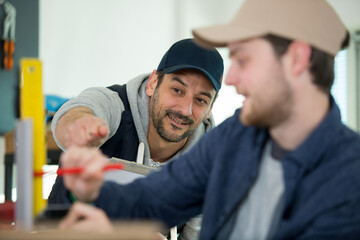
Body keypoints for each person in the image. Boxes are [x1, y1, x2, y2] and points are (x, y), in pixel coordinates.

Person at [58, 0, 360, 239]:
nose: (231, 79)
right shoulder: (237, 136)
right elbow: (156, 197)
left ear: (296, 59)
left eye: (243, 60)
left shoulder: (350, 177)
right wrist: (95, 188)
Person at [48, 38, 224, 240]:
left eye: (201, 100)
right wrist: (80, 126)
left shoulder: (211, 164)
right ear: (152, 83)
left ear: (210, 108)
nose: (185, 109)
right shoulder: (115, 105)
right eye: (177, 90)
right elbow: (75, 112)